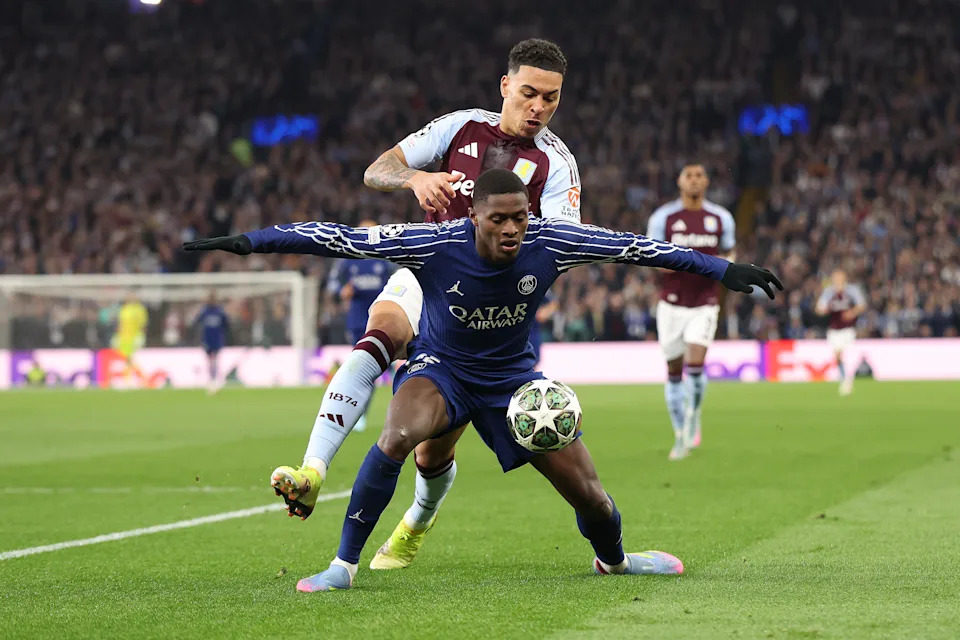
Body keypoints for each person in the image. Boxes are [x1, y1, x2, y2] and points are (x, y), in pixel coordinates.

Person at [184, 168, 782, 593]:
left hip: (516, 385)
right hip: (442, 371)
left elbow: (638, 248)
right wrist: (250, 243)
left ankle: (616, 562)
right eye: (499, 219)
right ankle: (343, 565)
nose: (512, 229)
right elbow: (336, 237)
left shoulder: (553, 240)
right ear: (474, 217)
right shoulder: (434, 244)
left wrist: (723, 269)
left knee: (592, 496)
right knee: (396, 436)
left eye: (520, 217)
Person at [272, 38, 582, 571]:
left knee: (432, 451)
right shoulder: (459, 126)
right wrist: (415, 177)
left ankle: (418, 517)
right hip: (425, 273)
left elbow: (561, 247)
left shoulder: (556, 165)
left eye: (550, 99)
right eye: (528, 94)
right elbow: (377, 170)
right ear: (505, 86)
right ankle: (312, 470)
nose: (538, 108)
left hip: (484, 306)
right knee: (379, 332)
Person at [647, 164, 736, 460]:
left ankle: (693, 415)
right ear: (680, 181)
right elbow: (652, 255)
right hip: (671, 303)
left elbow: (729, 253)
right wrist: (689, 262)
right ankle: (679, 434)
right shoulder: (664, 218)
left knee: (695, 364)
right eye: (689, 175)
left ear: (707, 181)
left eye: (700, 175)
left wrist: (723, 268)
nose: (695, 180)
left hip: (705, 302)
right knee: (673, 371)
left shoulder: (721, 218)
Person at [326, 219, 396, 430]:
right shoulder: (347, 261)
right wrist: (341, 292)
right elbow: (332, 283)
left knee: (387, 367)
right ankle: (360, 414)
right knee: (367, 370)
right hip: (358, 323)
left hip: (386, 320)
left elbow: (401, 281)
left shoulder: (384, 260)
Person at [815, 269, 867, 395]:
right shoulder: (829, 292)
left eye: (839, 278)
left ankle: (846, 380)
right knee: (837, 357)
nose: (836, 280)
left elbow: (862, 305)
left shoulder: (852, 290)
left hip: (849, 329)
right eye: (834, 278)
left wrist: (852, 312)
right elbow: (818, 308)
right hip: (834, 329)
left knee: (843, 354)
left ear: (844, 278)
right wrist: (825, 310)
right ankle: (846, 378)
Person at [193, 292, 230, 394]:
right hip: (207, 340)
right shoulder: (204, 311)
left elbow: (227, 324)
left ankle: (215, 379)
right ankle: (211, 379)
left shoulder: (220, 312)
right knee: (210, 360)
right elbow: (196, 322)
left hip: (217, 340)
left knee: (215, 360)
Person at [111, 291, 148, 386]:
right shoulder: (123, 309)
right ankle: (129, 380)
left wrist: (141, 336)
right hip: (123, 338)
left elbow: (143, 324)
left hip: (134, 337)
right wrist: (116, 336)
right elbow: (120, 324)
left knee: (131, 359)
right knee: (126, 360)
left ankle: (135, 379)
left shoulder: (139, 309)